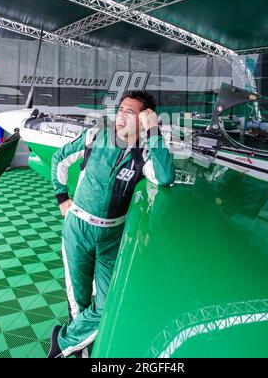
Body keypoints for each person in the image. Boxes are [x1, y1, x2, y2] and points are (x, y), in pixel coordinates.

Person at [48, 90, 175, 358]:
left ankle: (63, 341)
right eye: (121, 110)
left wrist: (153, 131)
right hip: (78, 230)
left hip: (112, 237)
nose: (121, 116)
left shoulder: (145, 154)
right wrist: (62, 198)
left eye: (131, 112)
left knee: (108, 303)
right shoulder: (95, 137)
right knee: (78, 301)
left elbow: (165, 177)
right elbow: (59, 158)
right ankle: (80, 349)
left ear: (144, 119)